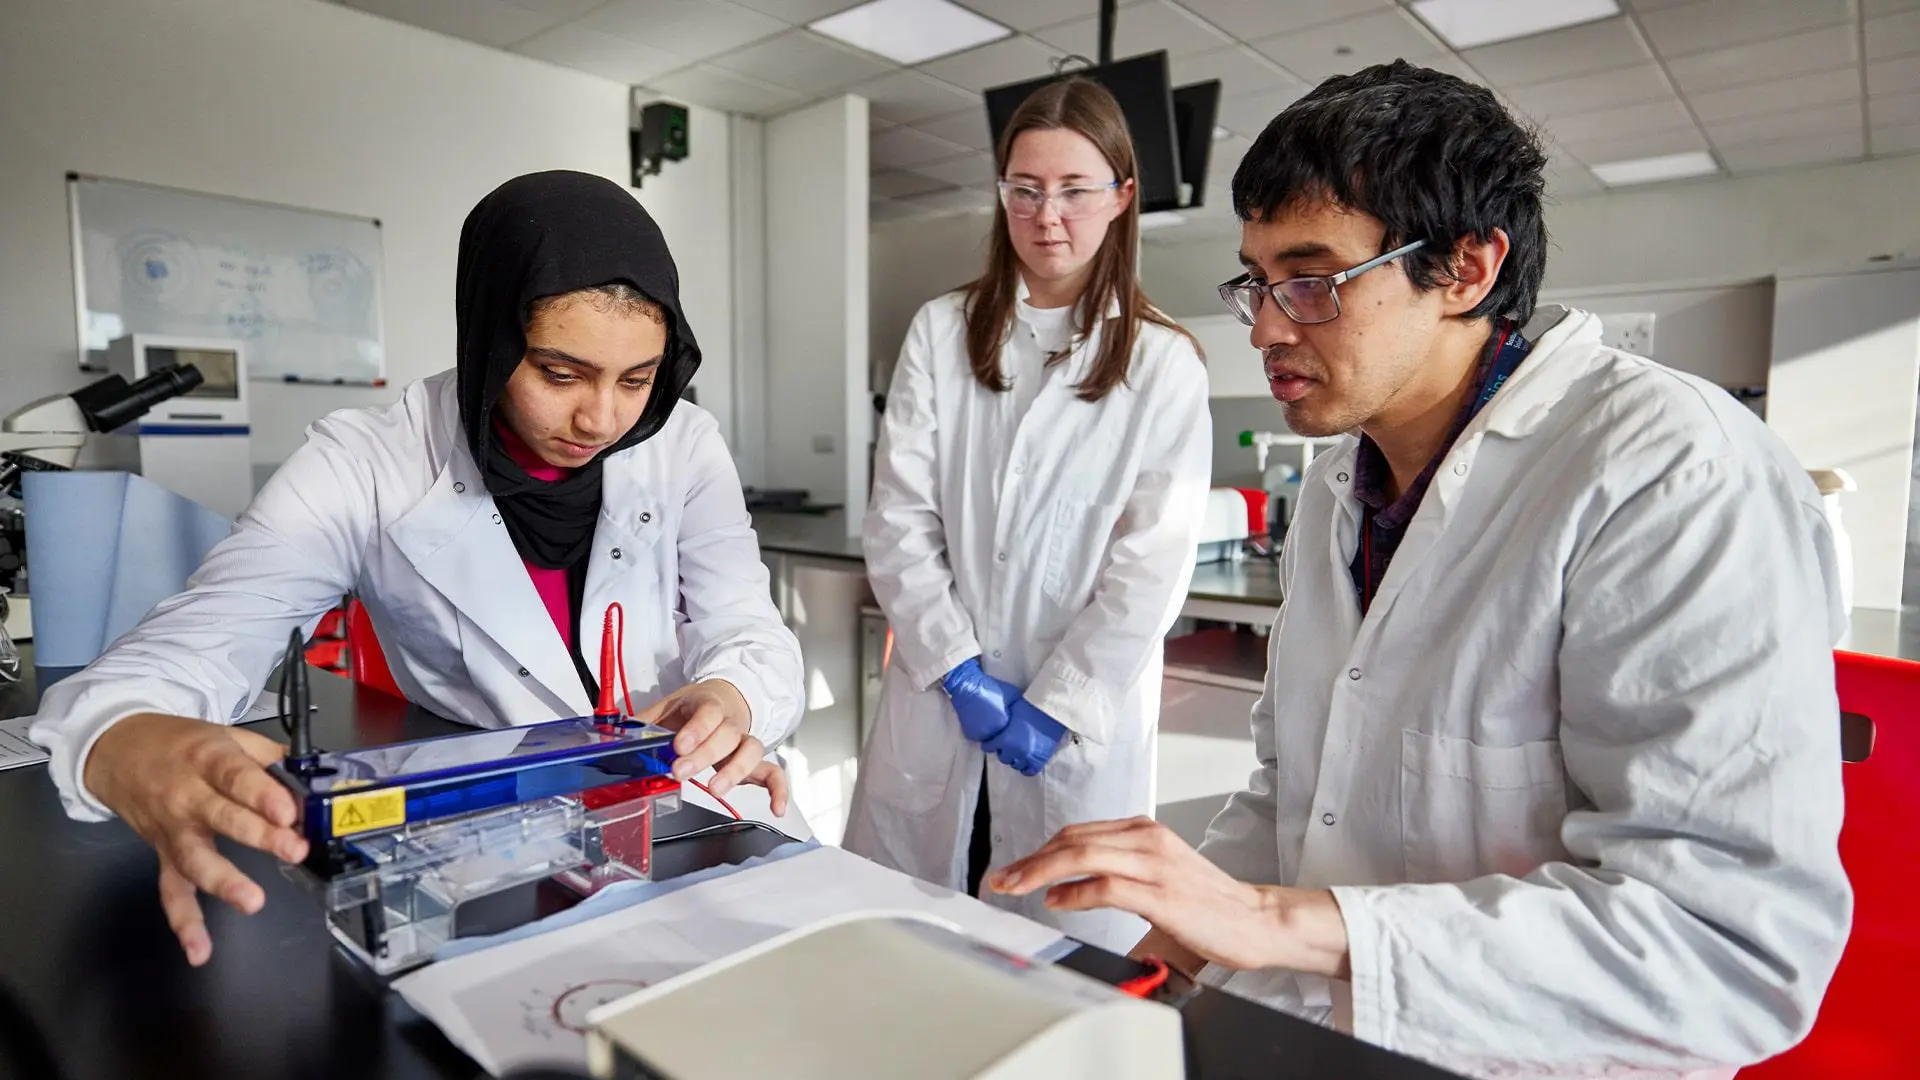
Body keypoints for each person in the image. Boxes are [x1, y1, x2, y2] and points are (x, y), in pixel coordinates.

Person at [990, 61, 1851, 1079]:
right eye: (1257, 282)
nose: (1266, 326)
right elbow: (1289, 799)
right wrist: (1159, 963)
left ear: (1468, 268)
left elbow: (1729, 951)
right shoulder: (1334, 494)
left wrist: (1271, 921)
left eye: (1311, 281)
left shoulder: (1670, 474)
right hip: (1320, 1031)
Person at [28, 171, 804, 967]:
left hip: (692, 810)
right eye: (559, 374)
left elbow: (746, 625)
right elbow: (205, 633)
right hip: (497, 850)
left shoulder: (684, 445)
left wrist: (731, 694)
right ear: (492, 337)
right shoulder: (366, 464)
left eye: (636, 380)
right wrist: (119, 732)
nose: (600, 419)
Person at [842, 78, 1211, 953]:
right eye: (1026, 190)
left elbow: (1149, 568)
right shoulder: (940, 332)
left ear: (1122, 198)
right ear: (1003, 194)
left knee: (1058, 966)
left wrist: (1058, 705)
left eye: (1076, 190)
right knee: (907, 951)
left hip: (1073, 739)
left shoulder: (1164, 364)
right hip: (938, 716)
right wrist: (958, 670)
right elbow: (898, 519)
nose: (1049, 215)